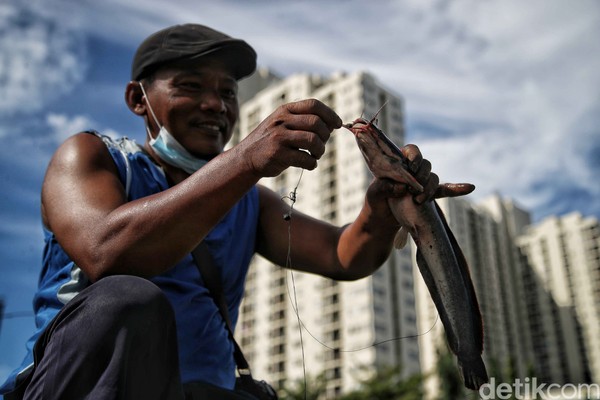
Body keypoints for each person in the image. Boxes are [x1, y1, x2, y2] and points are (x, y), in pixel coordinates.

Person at [0, 24, 471, 399]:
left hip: (206, 391)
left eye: (228, 93)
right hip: (83, 387)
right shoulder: (91, 158)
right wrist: (245, 160)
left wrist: (381, 210)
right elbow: (106, 252)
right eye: (190, 86)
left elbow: (344, 256)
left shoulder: (247, 201)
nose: (215, 104)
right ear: (137, 100)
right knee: (126, 299)